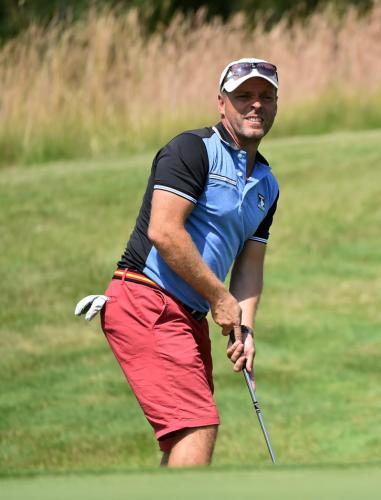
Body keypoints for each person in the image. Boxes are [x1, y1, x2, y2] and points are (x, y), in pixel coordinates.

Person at [75, 58, 280, 467]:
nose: (255, 104)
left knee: (184, 438)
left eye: (265, 96)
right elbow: (164, 232)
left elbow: (249, 265)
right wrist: (219, 298)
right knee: (196, 426)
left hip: (189, 315)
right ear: (221, 103)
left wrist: (245, 327)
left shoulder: (267, 183)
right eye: (243, 96)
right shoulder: (191, 149)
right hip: (147, 299)